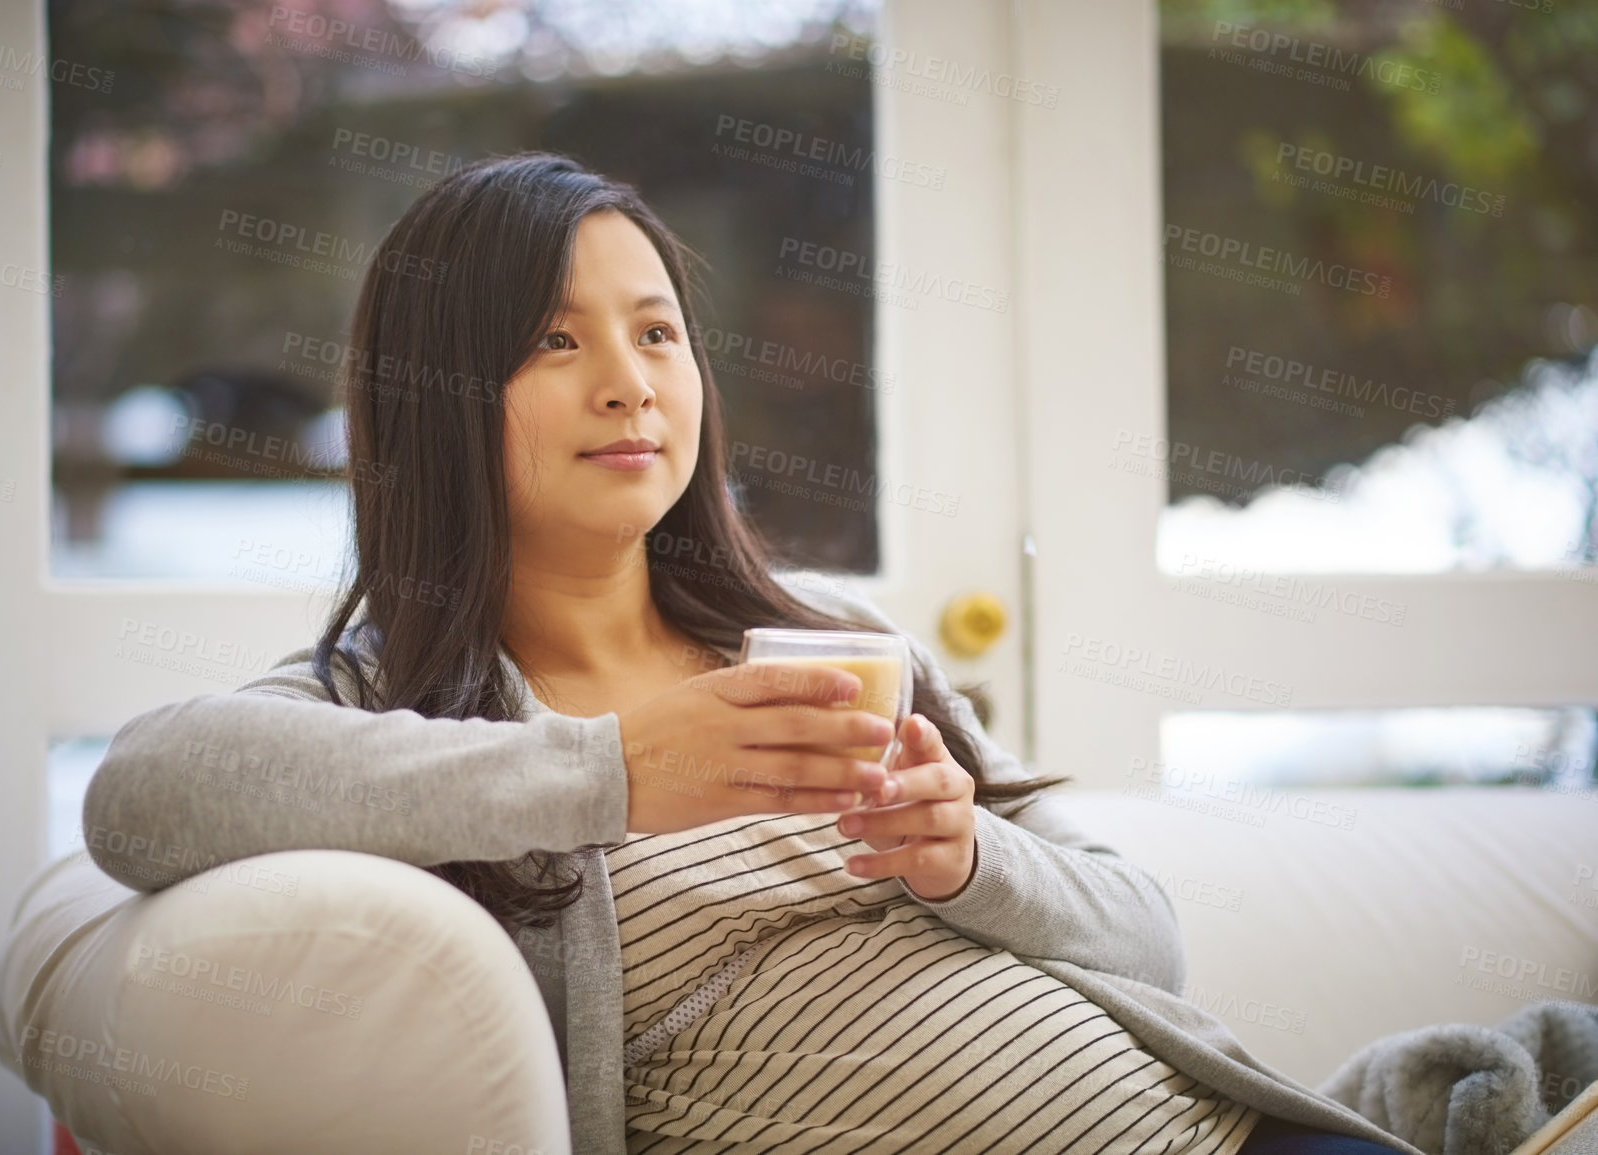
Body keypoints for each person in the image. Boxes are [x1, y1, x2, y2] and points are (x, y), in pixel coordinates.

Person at [83, 153, 1416, 1155]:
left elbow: (1150, 938)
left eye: (658, 332)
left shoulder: (831, 641)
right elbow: (143, 794)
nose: (632, 382)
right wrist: (611, 770)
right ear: (433, 398)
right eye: (555, 340)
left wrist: (968, 860)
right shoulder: (402, 701)